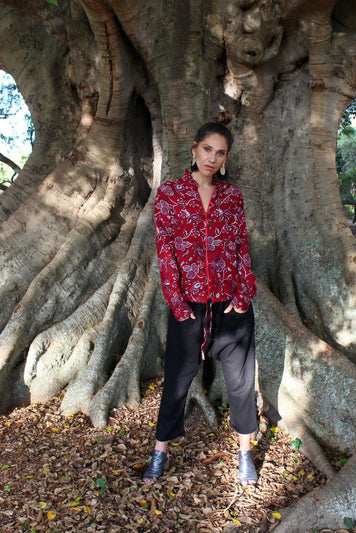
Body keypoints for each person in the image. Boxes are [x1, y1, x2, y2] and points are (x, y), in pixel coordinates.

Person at [144, 120, 258, 486]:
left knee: (240, 383)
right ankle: (160, 453)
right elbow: (165, 252)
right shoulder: (170, 193)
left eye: (220, 153)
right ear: (194, 149)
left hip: (230, 307)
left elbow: (241, 246)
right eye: (207, 149)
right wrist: (178, 306)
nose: (212, 158)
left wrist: (242, 298)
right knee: (176, 382)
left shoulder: (232, 196)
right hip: (188, 308)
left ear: (226, 158)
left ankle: (245, 454)